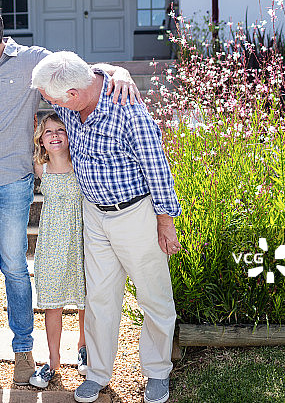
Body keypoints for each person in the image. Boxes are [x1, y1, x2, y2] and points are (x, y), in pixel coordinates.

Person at [0, 1, 139, 385]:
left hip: (13, 181)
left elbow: (77, 71)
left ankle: (24, 351)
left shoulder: (31, 61)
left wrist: (116, 70)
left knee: (16, 269)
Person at [31, 51, 182, 403]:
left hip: (135, 214)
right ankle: (97, 373)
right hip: (94, 215)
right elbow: (88, 67)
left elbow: (157, 167)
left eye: (51, 99)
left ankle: (158, 372)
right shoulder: (72, 99)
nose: (47, 103)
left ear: (71, 95)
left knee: (154, 297)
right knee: (98, 298)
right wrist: (117, 69)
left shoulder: (127, 110)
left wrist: (165, 221)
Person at [28, 113, 86, 389]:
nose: (54, 135)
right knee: (53, 302)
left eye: (60, 130)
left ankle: (84, 347)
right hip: (52, 242)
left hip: (81, 238)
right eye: (48, 131)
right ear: (41, 139)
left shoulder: (80, 165)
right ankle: (52, 360)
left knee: (86, 298)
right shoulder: (41, 168)